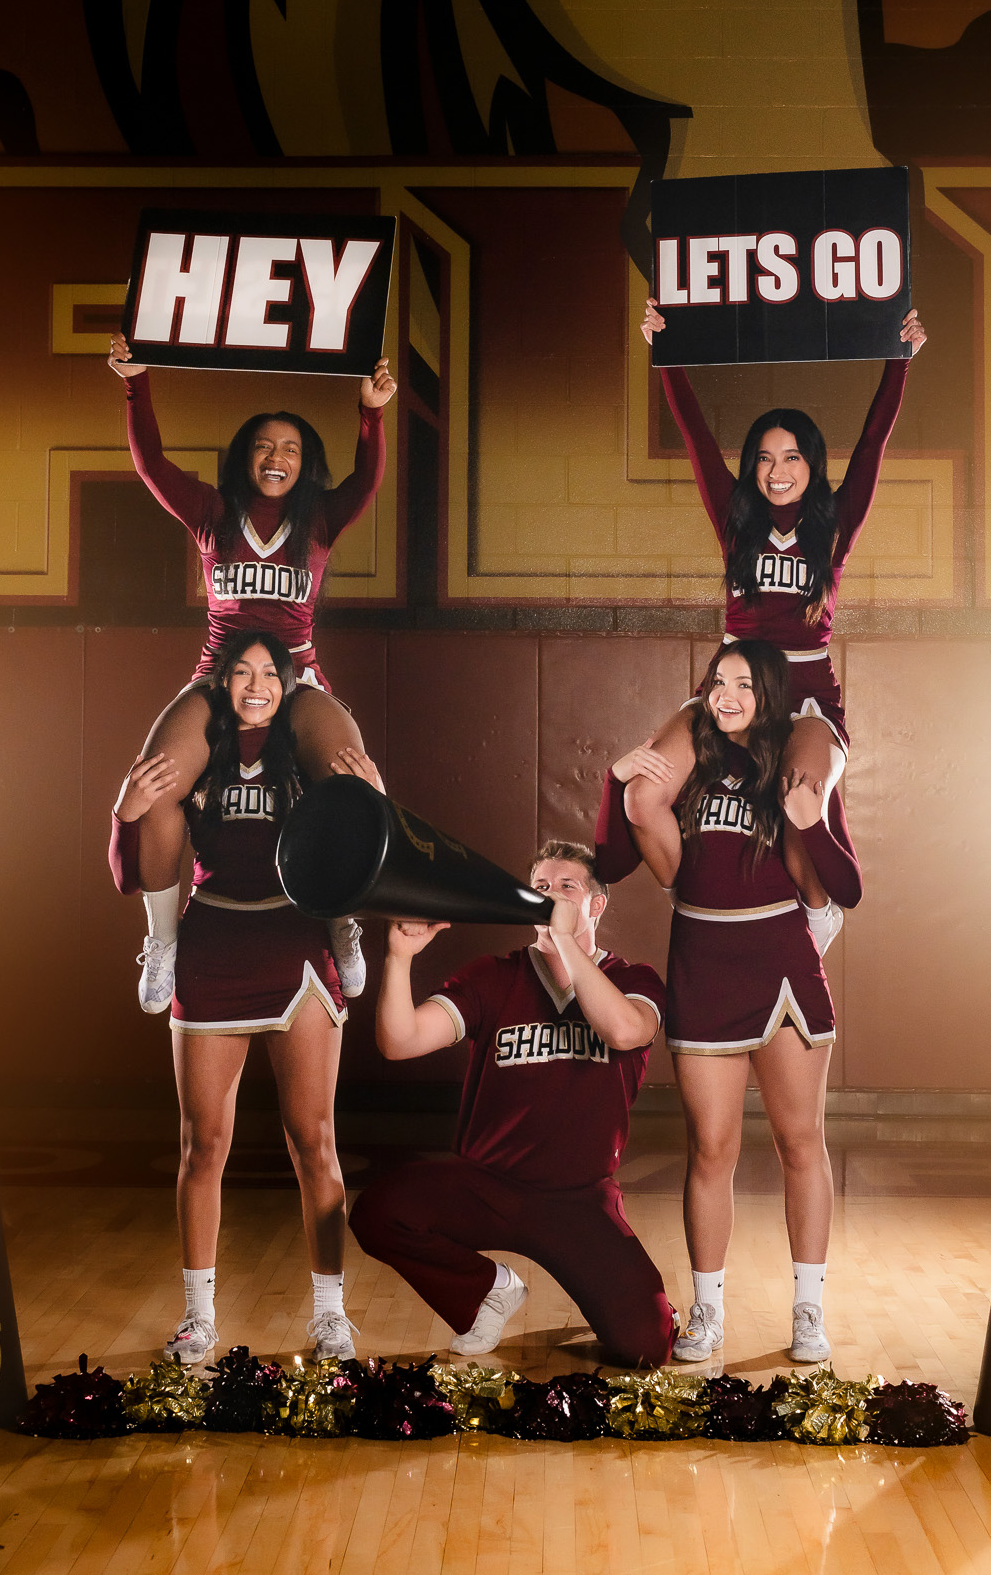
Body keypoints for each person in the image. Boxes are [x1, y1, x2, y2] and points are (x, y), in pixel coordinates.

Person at [109, 629, 380, 1366]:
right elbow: (125, 865)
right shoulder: (203, 753)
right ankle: (198, 1317)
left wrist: (375, 801)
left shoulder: (304, 754)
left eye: (269, 672)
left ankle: (330, 1316)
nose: (255, 683)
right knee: (203, 1147)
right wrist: (125, 813)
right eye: (241, 672)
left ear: (290, 686)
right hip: (215, 944)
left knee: (313, 1142)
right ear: (221, 684)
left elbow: (372, 841)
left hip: (295, 946)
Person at [107, 329, 397, 1009]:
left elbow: (367, 481)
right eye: (266, 445)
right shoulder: (213, 512)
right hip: (219, 672)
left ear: (305, 465)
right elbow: (150, 464)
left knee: (350, 778)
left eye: (292, 448)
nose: (278, 457)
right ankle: (163, 945)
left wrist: (371, 416)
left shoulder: (319, 520)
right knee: (157, 782)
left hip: (295, 673)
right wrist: (136, 382)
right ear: (246, 456)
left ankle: (342, 922)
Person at [594, 639, 862, 1368]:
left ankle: (809, 1308)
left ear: (770, 694)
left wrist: (809, 817)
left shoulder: (792, 769)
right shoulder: (691, 770)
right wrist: (617, 787)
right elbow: (626, 861)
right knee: (710, 1150)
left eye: (744, 683)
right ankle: (707, 1311)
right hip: (705, 964)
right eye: (718, 682)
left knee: (799, 1141)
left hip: (780, 965)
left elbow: (845, 885)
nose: (728, 694)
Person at [624, 299, 926, 885]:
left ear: (811, 464)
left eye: (791, 456)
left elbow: (870, 446)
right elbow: (697, 440)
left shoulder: (833, 525)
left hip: (806, 685)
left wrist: (900, 362)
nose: (777, 469)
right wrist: (666, 357)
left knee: (799, 809)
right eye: (764, 457)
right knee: (646, 793)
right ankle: (698, 896)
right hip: (733, 682)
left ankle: (813, 924)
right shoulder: (736, 520)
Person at [348, 844, 677, 1368]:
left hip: (578, 1199)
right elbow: (399, 1041)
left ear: (596, 905)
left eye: (567, 887)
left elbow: (622, 1030)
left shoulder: (634, 980)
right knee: (379, 1211)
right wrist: (399, 958)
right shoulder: (493, 976)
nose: (550, 897)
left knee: (646, 1346)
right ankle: (487, 1292)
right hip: (487, 1185)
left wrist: (566, 942)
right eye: (540, 888)